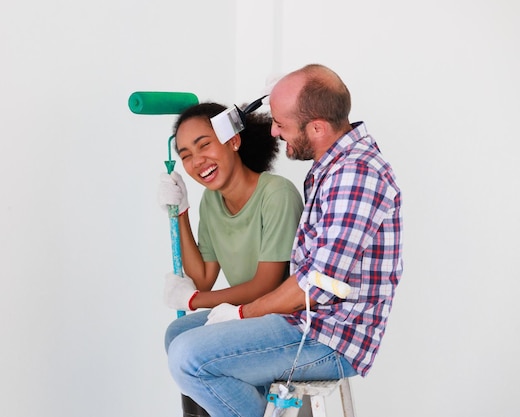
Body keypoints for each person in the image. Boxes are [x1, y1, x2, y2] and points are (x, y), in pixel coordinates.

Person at [165, 64, 404, 417]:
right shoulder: (330, 168)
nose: (275, 132)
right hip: (306, 319)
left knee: (189, 357)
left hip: (331, 336)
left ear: (318, 127)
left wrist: (241, 313)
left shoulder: (356, 174)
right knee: (178, 334)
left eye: (282, 123)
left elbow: (316, 286)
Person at [158, 102, 304, 416]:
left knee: (188, 352)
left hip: (282, 317)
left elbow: (266, 286)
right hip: (248, 315)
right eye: (185, 155)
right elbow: (203, 277)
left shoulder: (276, 195)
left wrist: (195, 300)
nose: (197, 161)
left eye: (204, 145)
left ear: (233, 140)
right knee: (177, 334)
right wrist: (180, 212)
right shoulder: (212, 202)